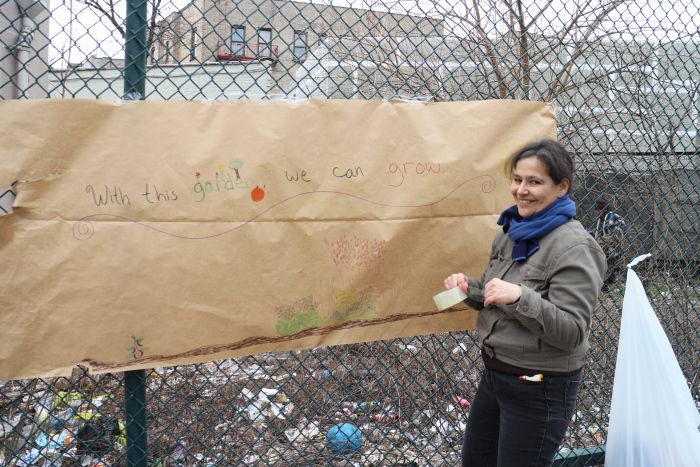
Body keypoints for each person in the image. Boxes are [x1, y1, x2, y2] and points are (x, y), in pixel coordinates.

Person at [443, 139, 606, 467]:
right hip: (496, 376)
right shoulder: (511, 232)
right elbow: (500, 298)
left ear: (562, 187)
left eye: (534, 181)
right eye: (517, 179)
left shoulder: (575, 247)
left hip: (539, 387)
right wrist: (471, 291)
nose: (521, 190)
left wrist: (520, 297)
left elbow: (572, 332)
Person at [590, 197, 626, 287]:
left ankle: (605, 283)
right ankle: (603, 283)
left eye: (600, 210)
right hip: (602, 246)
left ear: (605, 209)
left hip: (610, 246)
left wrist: (613, 237)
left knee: (608, 264)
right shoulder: (600, 220)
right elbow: (598, 233)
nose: (598, 212)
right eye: (597, 210)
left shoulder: (612, 217)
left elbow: (620, 229)